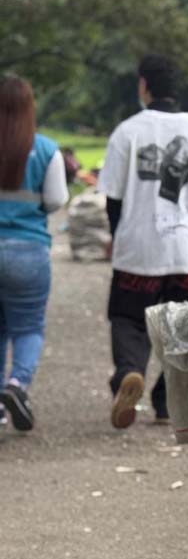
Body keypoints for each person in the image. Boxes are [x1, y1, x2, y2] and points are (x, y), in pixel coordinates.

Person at [97, 54, 188, 429]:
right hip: (185, 254)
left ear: (144, 85)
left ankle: (129, 371)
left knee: (128, 319)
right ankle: (165, 403)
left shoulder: (127, 132)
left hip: (137, 251)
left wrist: (117, 235)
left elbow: (112, 198)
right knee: (180, 330)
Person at [0, 74, 70, 431]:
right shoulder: (45, 149)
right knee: (28, 326)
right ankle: (17, 384)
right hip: (27, 252)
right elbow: (57, 199)